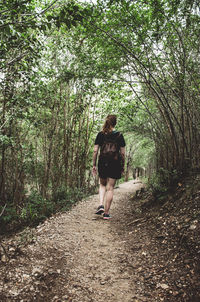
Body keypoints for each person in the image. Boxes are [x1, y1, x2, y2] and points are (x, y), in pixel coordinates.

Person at [92, 114, 126, 219]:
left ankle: (101, 205)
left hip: (103, 162)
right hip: (115, 163)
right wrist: (122, 166)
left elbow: (95, 151)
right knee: (110, 188)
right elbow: (123, 153)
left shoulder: (100, 134)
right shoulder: (119, 135)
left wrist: (94, 164)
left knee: (102, 185)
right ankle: (106, 213)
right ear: (115, 123)